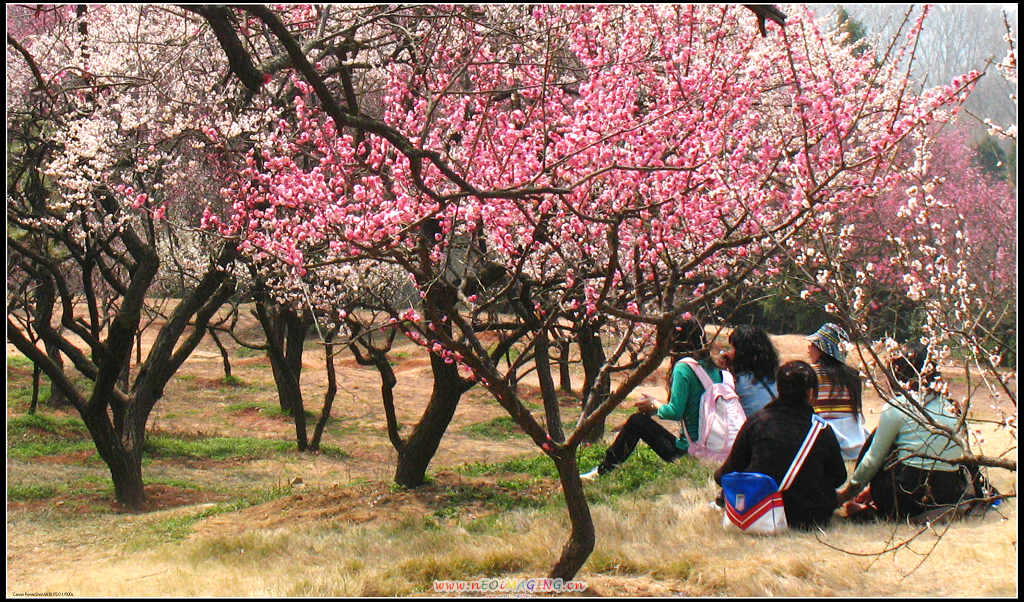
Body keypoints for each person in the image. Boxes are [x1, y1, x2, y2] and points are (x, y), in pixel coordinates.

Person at [836, 343, 973, 522]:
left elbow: (873, 459)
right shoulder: (952, 408)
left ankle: (872, 511)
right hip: (948, 492)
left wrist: (848, 493)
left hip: (908, 494)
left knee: (878, 440)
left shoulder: (898, 407)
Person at [580, 318, 722, 480]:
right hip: (715, 448)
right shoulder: (713, 369)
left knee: (636, 422)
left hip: (691, 451)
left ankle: (602, 471)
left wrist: (654, 404)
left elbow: (675, 412)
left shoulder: (684, 368)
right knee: (639, 422)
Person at [715, 361, 847, 529]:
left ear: (779, 388)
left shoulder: (757, 422)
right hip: (810, 517)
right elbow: (839, 476)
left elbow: (726, 474)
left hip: (759, 512)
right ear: (811, 393)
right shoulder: (820, 429)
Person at [806, 322, 866, 460]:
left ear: (822, 349)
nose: (809, 347)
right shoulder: (854, 376)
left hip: (820, 440)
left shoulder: (809, 374)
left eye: (814, 344)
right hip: (854, 441)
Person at [720, 325, 779, 417]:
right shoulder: (773, 377)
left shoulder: (736, 381)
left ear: (740, 352)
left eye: (731, 348)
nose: (729, 352)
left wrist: (724, 370)